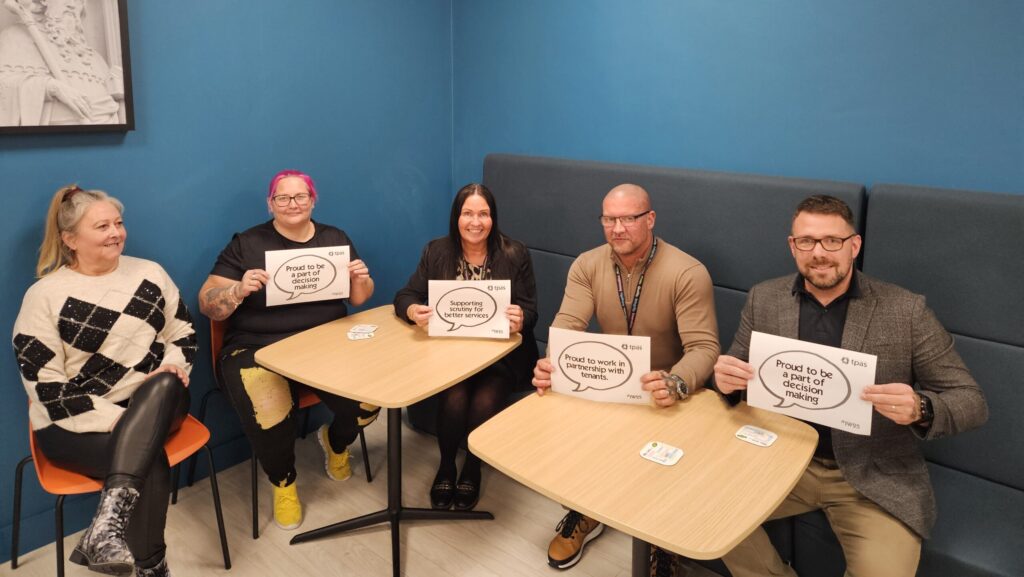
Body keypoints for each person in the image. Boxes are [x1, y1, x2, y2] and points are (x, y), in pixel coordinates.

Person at [713, 195, 988, 577]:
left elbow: (971, 401)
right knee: (707, 509)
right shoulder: (765, 299)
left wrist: (921, 408)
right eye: (807, 241)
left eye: (832, 241)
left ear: (854, 246)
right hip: (782, 459)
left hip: (871, 474)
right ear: (793, 247)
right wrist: (725, 381)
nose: (819, 253)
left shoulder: (905, 311)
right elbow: (735, 371)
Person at [532, 184, 720, 573]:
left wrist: (676, 383)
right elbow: (567, 326)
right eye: (609, 219)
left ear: (649, 220)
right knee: (561, 418)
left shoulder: (687, 271)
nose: (618, 228)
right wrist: (553, 363)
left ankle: (662, 544)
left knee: (669, 462)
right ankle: (584, 510)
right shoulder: (587, 264)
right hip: (611, 385)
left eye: (628, 219)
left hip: (665, 395)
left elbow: (705, 349)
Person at [12, 185, 196, 577]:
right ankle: (151, 567)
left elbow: (183, 332)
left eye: (118, 223)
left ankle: (106, 527)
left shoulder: (149, 273)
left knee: (162, 385)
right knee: (150, 459)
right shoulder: (44, 296)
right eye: (102, 226)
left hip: (159, 403)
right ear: (70, 239)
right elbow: (44, 385)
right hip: (76, 424)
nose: (116, 232)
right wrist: (118, 419)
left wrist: (174, 364)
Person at [198, 169, 379, 531]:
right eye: (283, 198)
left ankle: (335, 441)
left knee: (372, 401)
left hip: (324, 342)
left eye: (300, 197)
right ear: (271, 203)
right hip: (256, 346)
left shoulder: (334, 238)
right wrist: (237, 290)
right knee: (270, 410)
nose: (292, 204)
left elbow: (358, 298)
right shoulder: (247, 244)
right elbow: (207, 302)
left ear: (313, 200)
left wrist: (361, 278)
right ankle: (283, 482)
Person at [393, 182, 539, 511]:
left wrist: (521, 317)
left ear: (493, 218)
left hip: (501, 355)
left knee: (485, 397)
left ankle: (472, 467)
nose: (476, 222)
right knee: (455, 395)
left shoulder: (515, 253)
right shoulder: (437, 251)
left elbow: (531, 311)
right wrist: (414, 311)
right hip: (451, 353)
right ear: (456, 218)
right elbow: (404, 296)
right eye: (468, 213)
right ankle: (446, 465)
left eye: (483, 214)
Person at [0, 0, 124, 126]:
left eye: (78, 0)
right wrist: (51, 87)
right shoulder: (15, 38)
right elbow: (3, 88)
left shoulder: (96, 59)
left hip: (104, 139)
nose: (71, 4)